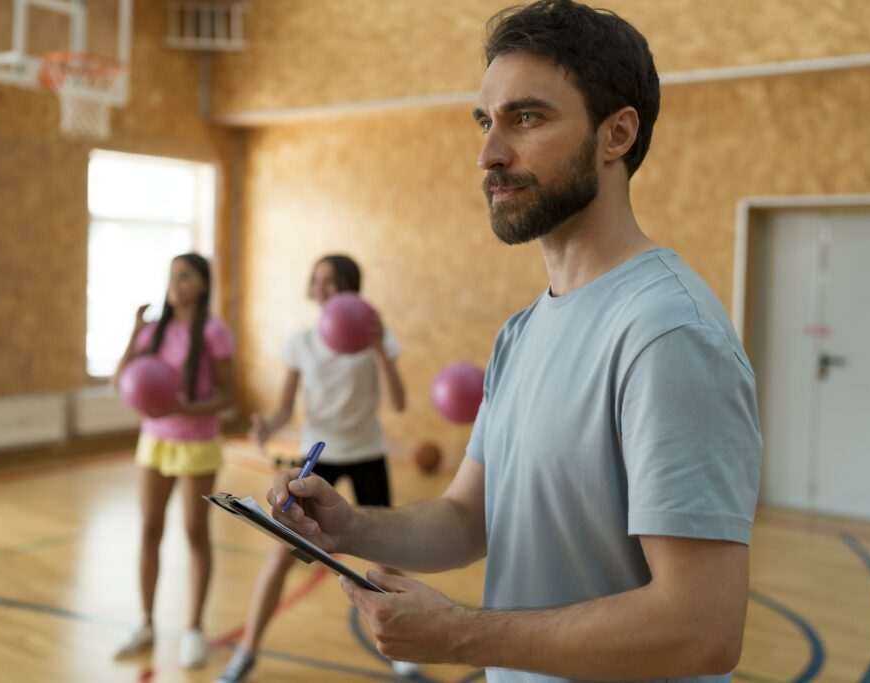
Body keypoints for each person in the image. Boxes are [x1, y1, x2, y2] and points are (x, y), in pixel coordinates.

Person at [264, 2, 763, 682]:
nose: (489, 154)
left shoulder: (668, 333)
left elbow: (701, 628)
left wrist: (462, 634)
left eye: (526, 118)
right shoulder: (523, 331)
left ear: (615, 134)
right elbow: (469, 518)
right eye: (485, 120)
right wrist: (348, 528)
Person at [216, 254, 414, 683]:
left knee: (387, 556)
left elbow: (398, 403)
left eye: (335, 282)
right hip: (318, 459)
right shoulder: (302, 342)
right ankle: (247, 650)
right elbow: (285, 408)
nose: (324, 289)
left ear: (352, 291)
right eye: (318, 281)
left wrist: (378, 347)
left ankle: (406, 648)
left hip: (367, 454)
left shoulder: (376, 341)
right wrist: (267, 424)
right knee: (283, 555)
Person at [112, 253, 235, 669]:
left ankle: (194, 629)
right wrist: (133, 330)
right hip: (155, 441)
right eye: (172, 276)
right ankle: (145, 622)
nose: (175, 283)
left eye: (184, 276)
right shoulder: (152, 331)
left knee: (195, 532)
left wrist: (186, 407)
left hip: (197, 443)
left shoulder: (214, 331)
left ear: (202, 284)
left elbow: (228, 395)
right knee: (149, 529)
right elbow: (120, 382)